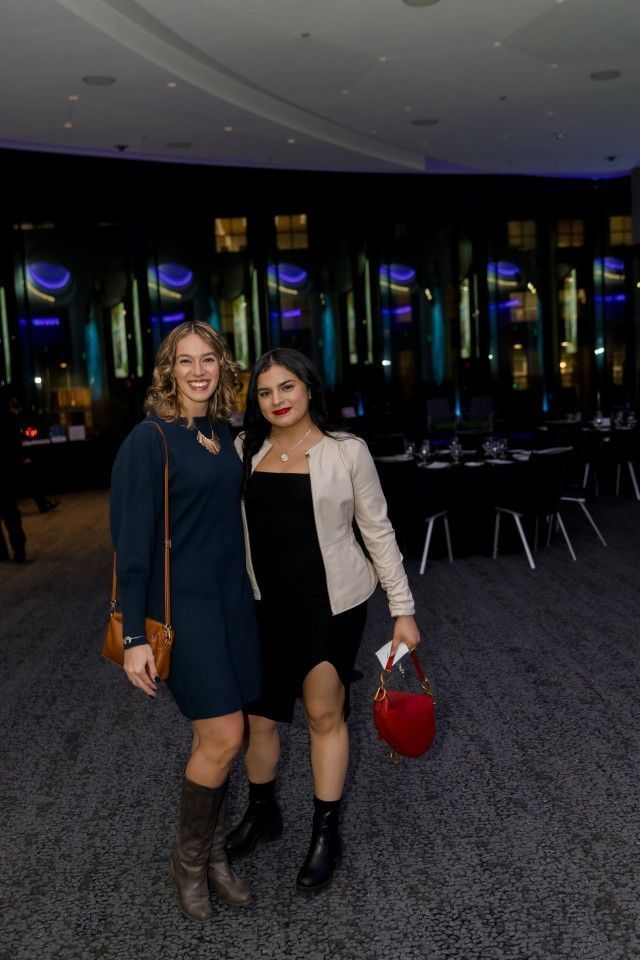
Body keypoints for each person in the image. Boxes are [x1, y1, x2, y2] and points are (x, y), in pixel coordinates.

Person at [225, 348, 420, 893]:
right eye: (265, 392)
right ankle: (263, 810)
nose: (277, 400)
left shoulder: (345, 451)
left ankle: (324, 832)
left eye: (287, 387)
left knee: (322, 713)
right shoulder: (245, 449)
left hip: (329, 604)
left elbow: (377, 531)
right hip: (260, 603)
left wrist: (402, 610)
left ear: (309, 388)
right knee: (258, 717)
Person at [109, 320, 260, 922]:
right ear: (168, 370)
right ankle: (190, 861)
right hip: (182, 612)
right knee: (224, 736)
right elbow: (131, 546)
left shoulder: (222, 433)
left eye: (209, 359)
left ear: (223, 366)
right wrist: (133, 636)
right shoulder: (149, 440)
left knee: (217, 738)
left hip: (230, 604)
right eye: (185, 360)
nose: (198, 371)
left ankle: (215, 854)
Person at [0, 386, 28, 563]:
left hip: (6, 469)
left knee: (9, 511)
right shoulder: (9, 418)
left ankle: (2, 552)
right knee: (10, 511)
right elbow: (16, 444)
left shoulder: (9, 418)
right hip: (7, 470)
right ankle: (18, 548)